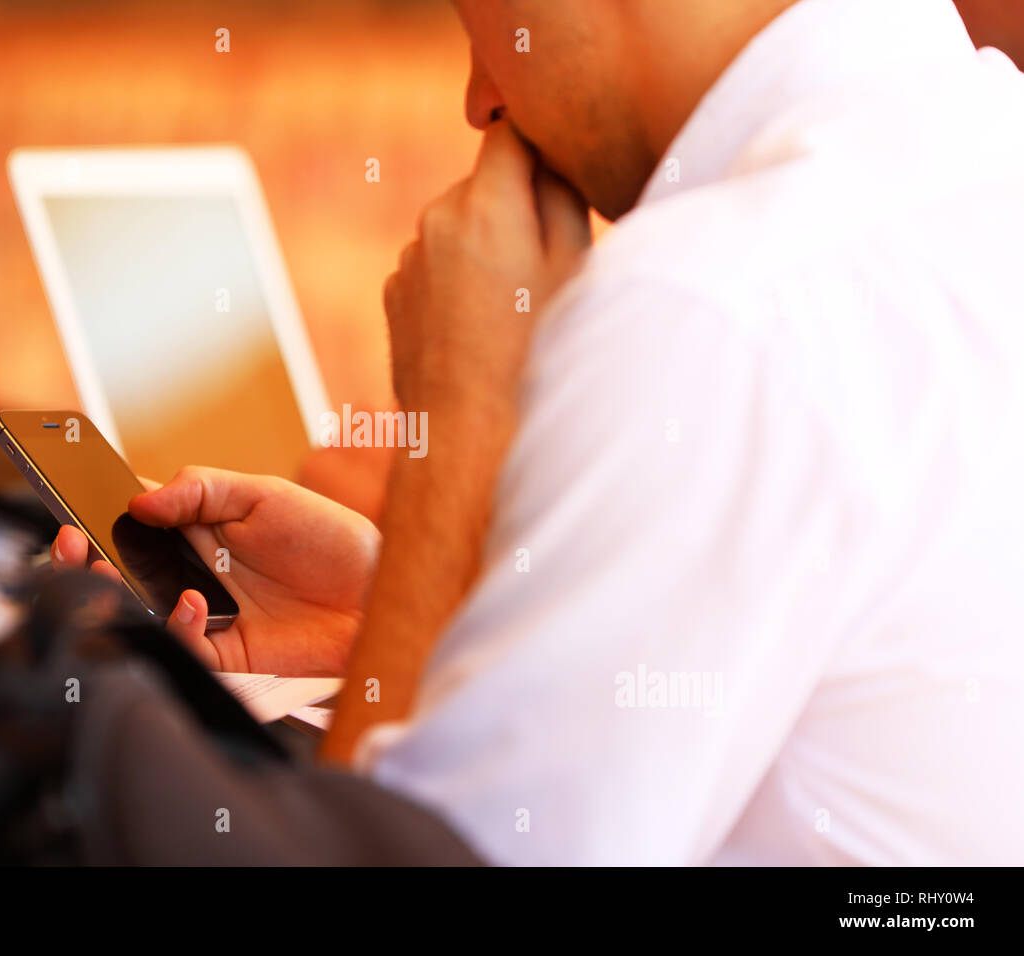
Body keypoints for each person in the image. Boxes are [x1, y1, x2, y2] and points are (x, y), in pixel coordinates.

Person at [54, 0, 1024, 865]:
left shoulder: (712, 296)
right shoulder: (979, 136)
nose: (480, 100)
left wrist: (462, 421)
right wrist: (412, 606)